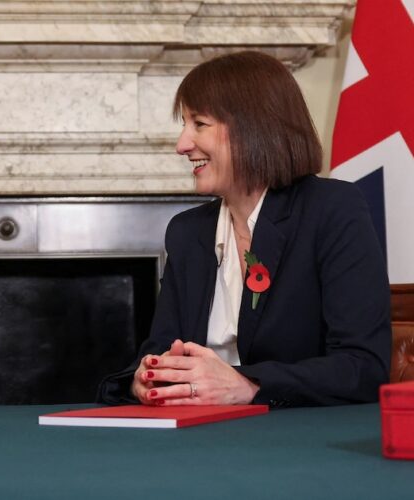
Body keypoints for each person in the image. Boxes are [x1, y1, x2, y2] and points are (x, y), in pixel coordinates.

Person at [98, 51, 390, 407]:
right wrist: (146, 379)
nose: (181, 145)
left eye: (199, 124)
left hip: (295, 443)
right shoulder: (187, 231)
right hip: (195, 440)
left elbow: (363, 368)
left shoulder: (332, 209)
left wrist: (249, 384)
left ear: (253, 128)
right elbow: (159, 350)